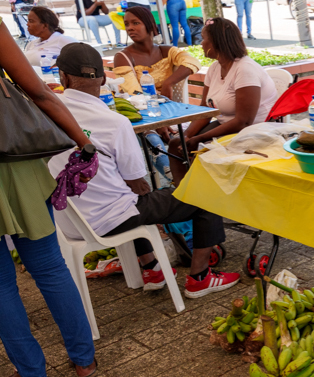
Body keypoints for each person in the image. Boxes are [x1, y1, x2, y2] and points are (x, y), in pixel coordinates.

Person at [51, 43, 240, 299]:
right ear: (104, 79)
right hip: (109, 221)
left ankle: (152, 268)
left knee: (129, 201)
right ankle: (200, 278)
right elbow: (137, 185)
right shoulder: (115, 122)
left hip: (68, 223)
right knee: (203, 195)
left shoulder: (45, 115)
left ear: (62, 77)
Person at [0, 23, 97, 377]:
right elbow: (37, 90)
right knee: (49, 265)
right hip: (14, 164)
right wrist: (83, 142)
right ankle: (84, 361)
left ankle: (33, 376)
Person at [166, 18, 277, 180]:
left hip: (253, 131)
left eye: (204, 39)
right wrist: (187, 136)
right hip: (226, 125)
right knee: (176, 144)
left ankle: (204, 195)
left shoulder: (245, 69)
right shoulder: (215, 68)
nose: (201, 43)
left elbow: (244, 121)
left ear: (217, 43)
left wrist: (199, 138)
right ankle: (183, 191)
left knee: (203, 150)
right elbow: (206, 109)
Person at [113, 6, 200, 184]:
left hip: (172, 111)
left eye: (136, 23)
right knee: (151, 137)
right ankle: (178, 182)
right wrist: (159, 122)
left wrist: (169, 82)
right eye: (127, 24)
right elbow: (135, 93)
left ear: (150, 25)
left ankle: (192, 179)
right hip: (143, 115)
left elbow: (192, 62)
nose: (130, 28)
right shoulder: (123, 57)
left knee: (184, 138)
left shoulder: (166, 51)